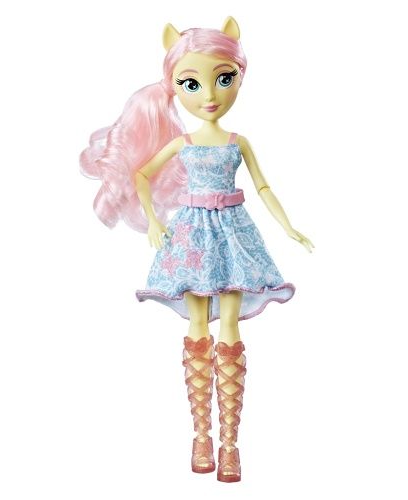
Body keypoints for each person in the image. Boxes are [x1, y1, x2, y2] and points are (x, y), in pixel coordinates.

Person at [80, 16, 314, 483]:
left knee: (229, 325)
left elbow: (264, 187)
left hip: (233, 234)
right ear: (174, 86)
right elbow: (141, 174)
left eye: (224, 79)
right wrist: (152, 221)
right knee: (197, 325)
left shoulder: (238, 142)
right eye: (192, 83)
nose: (209, 94)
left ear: (239, 77)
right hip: (191, 236)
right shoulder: (182, 143)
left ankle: (230, 444)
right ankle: (201, 436)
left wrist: (288, 226)